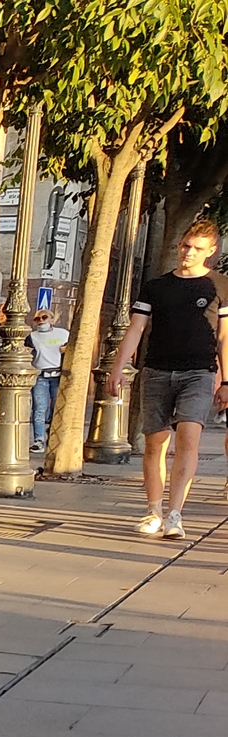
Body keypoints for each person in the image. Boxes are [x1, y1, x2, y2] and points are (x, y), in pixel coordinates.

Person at [110, 220, 228, 539]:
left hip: (199, 372)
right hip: (158, 370)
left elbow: (224, 337)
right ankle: (154, 511)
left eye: (197, 248)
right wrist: (118, 366)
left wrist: (226, 380)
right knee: (156, 442)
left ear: (211, 251)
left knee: (189, 438)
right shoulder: (156, 287)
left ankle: (175, 513)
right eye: (185, 246)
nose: (188, 253)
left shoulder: (219, 286)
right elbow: (136, 328)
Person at [28, 308, 67, 453]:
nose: (41, 321)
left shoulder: (63, 334)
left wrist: (66, 349)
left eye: (44, 318)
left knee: (56, 408)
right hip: (40, 375)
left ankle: (52, 436)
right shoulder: (32, 336)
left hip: (57, 375)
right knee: (39, 408)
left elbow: (72, 349)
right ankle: (39, 440)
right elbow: (28, 351)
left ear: (52, 319)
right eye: (37, 319)